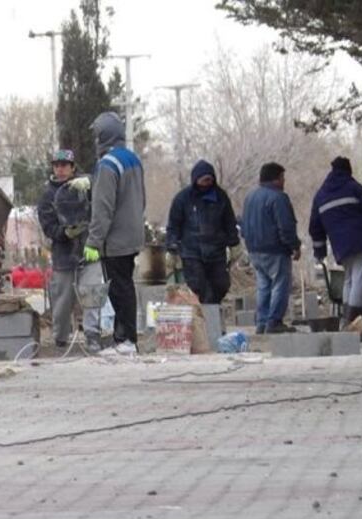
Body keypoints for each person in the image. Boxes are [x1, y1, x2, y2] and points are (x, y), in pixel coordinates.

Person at [83, 111, 146, 355]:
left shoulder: (107, 165)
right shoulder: (133, 159)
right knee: (125, 285)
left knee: (119, 289)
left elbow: (102, 208)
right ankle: (125, 339)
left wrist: (93, 242)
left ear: (102, 136)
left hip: (115, 239)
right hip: (133, 235)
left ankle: (126, 341)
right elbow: (142, 199)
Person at [36, 149, 102, 352]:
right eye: (56, 165)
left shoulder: (86, 187)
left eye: (64, 165)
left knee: (92, 294)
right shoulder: (48, 196)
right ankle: (60, 338)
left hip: (89, 252)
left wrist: (89, 182)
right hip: (63, 256)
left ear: (73, 167)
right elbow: (48, 227)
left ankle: (92, 335)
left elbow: (103, 200)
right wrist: (65, 233)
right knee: (62, 301)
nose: (60, 169)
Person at [309, 157, 362, 325]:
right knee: (360, 279)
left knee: (349, 279)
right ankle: (354, 318)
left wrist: (320, 252)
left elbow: (315, 227)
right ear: (348, 171)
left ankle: (347, 317)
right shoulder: (355, 188)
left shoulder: (320, 196)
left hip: (341, 247)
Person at [165, 160, 243, 304]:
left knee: (221, 285)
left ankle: (212, 310)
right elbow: (174, 225)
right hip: (192, 252)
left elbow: (229, 222)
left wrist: (234, 244)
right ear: (196, 180)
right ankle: (206, 313)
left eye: (210, 179)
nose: (207, 183)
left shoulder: (220, 197)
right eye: (204, 180)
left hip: (216, 252)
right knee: (198, 287)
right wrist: (171, 246)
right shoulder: (183, 199)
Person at [239, 162, 302, 334]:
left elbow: (243, 226)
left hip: (254, 250)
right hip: (275, 250)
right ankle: (274, 322)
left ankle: (262, 323)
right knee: (280, 285)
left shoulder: (250, 197)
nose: (284, 181)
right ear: (276, 179)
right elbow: (286, 226)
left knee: (263, 287)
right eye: (282, 178)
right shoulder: (278, 198)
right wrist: (294, 246)